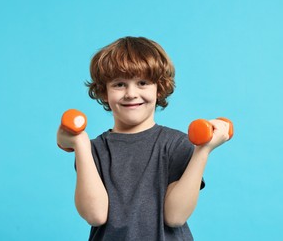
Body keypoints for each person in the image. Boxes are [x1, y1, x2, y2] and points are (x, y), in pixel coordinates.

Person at [57, 36, 231, 240]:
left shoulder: (178, 145)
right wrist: (80, 144)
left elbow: (175, 217)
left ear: (159, 88)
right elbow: (95, 215)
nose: (131, 93)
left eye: (142, 83)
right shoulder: (93, 150)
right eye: (120, 84)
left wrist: (203, 150)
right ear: (104, 92)